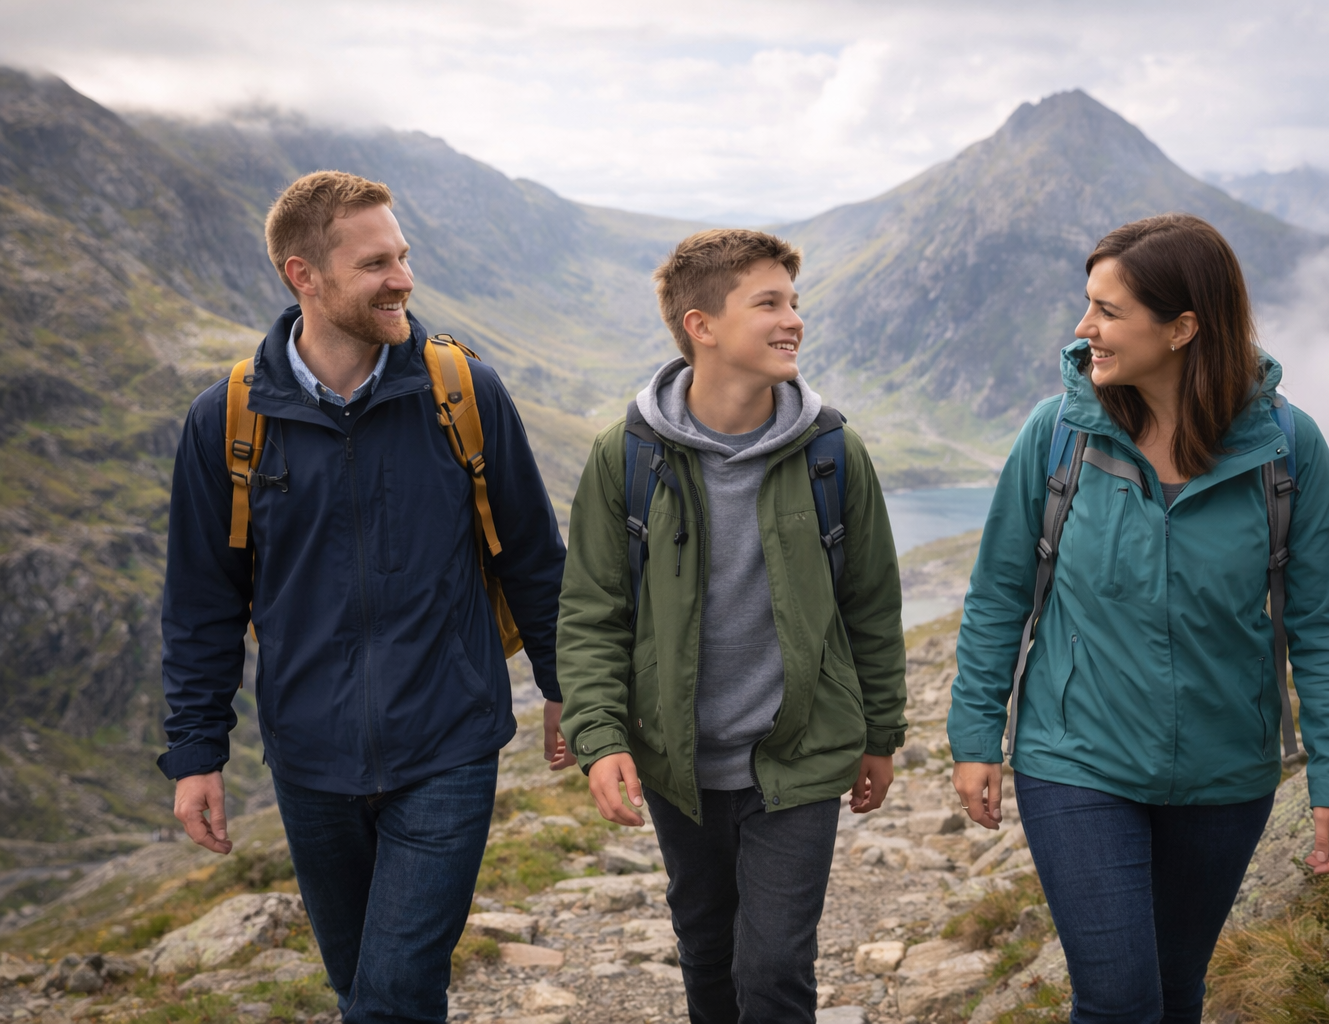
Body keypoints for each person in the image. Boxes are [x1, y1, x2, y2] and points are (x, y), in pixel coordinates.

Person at [157, 171, 570, 1024]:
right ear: (302, 275)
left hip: (450, 742)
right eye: (377, 263)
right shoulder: (226, 420)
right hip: (309, 759)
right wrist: (197, 752)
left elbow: (532, 554)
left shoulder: (462, 393)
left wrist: (572, 689)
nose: (403, 279)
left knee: (391, 999)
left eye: (405, 256)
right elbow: (202, 602)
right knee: (365, 989)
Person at [948, 214, 1329, 1023]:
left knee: (1176, 993)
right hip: (1076, 758)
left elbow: (1327, 622)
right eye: (1088, 304)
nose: (1084, 328)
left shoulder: (1286, 447)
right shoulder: (1059, 434)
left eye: (1108, 311)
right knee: (1117, 999)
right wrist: (976, 738)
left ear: (1182, 328)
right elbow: (1001, 590)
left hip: (1225, 771)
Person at [557, 228, 907, 1022]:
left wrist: (880, 733)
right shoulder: (627, 458)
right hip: (680, 762)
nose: (794, 321)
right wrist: (601, 737)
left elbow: (873, 607)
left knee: (775, 967)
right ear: (701, 325)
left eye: (795, 302)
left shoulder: (834, 455)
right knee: (707, 950)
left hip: (802, 757)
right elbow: (591, 615)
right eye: (770, 304)